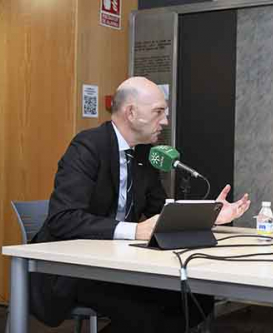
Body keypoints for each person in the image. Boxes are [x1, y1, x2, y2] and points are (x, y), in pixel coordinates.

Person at [30, 76, 250, 333]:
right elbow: (63, 218)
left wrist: (208, 216)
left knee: (195, 298)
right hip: (75, 270)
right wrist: (134, 231)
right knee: (148, 313)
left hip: (119, 264)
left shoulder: (145, 154)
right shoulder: (88, 146)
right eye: (159, 112)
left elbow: (160, 212)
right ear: (131, 112)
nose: (165, 121)